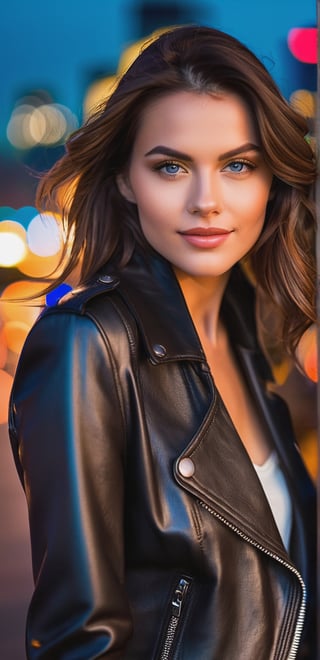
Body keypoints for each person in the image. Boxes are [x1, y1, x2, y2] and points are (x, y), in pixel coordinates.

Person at [8, 25, 316, 659]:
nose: (207, 201)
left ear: (270, 181)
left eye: (238, 164)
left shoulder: (247, 332)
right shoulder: (86, 346)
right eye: (171, 167)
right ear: (124, 180)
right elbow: (79, 640)